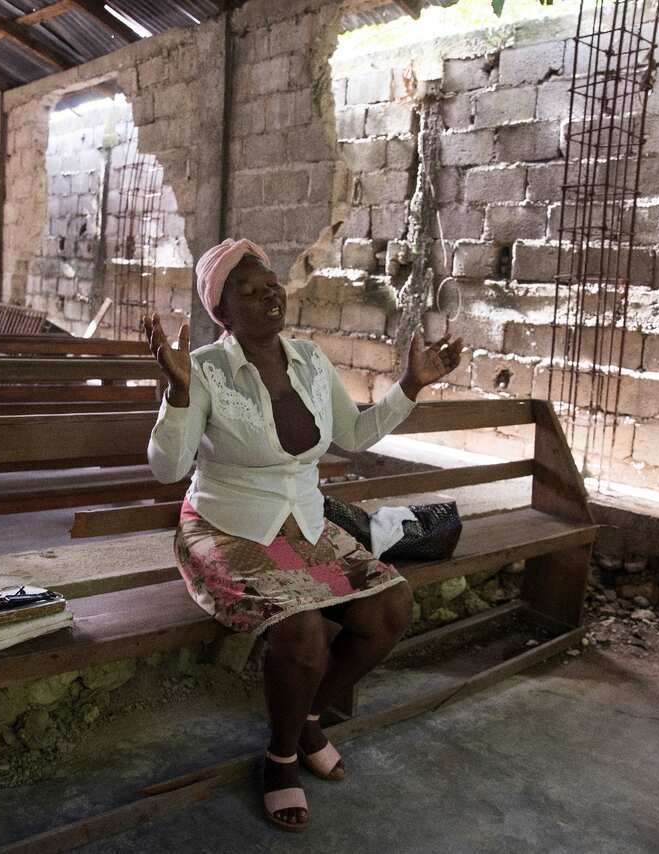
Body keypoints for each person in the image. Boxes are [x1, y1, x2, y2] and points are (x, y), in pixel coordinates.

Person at [143, 238, 463, 832]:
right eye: (249, 289)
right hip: (226, 525)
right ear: (222, 310)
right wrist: (178, 395)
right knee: (302, 629)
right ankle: (281, 757)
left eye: (272, 285)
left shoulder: (311, 360)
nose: (269, 294)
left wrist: (410, 385)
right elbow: (167, 469)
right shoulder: (204, 369)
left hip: (306, 524)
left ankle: (309, 718)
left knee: (391, 607)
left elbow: (354, 434)